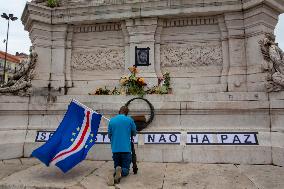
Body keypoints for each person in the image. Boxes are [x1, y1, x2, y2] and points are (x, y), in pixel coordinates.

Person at [107, 106, 137, 185]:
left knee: (117, 166)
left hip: (115, 149)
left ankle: (116, 173)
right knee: (126, 170)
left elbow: (109, 135)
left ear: (119, 111)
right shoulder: (129, 120)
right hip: (126, 149)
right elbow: (134, 132)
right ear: (126, 113)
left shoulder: (112, 120)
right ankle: (122, 171)